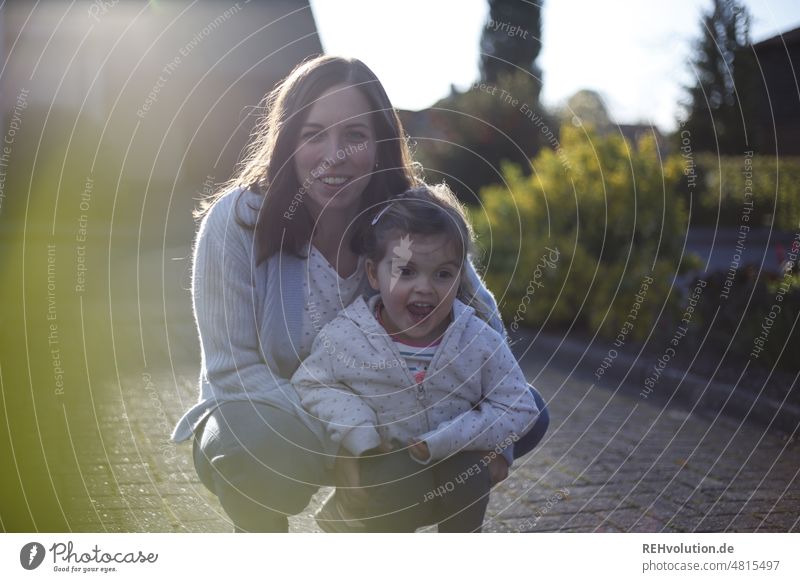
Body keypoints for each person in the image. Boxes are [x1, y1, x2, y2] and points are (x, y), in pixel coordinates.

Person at [170, 55, 549, 532]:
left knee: (528, 412)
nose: (334, 155)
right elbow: (234, 371)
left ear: (380, 144)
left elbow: (483, 330)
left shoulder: (415, 216)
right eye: (314, 135)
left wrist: (495, 445)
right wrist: (347, 442)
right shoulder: (237, 223)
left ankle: (366, 515)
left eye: (355, 136)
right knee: (255, 452)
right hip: (279, 419)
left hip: (394, 423)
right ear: (288, 140)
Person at [292, 185, 540, 532]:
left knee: (468, 473)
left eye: (443, 274)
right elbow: (311, 383)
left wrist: (456, 439)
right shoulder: (349, 335)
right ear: (374, 274)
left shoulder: (475, 339)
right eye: (406, 272)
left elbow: (520, 406)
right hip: (385, 460)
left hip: (453, 455)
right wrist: (360, 433)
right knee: (397, 480)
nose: (425, 287)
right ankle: (354, 522)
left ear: (460, 276)